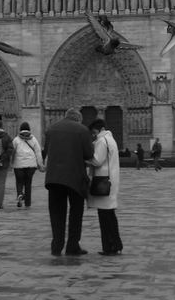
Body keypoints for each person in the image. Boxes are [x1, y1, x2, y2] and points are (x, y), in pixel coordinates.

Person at [42, 107, 93, 256]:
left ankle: (56, 246)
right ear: (78, 118)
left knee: (56, 213)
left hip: (54, 178)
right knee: (75, 213)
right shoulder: (82, 130)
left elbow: (46, 151)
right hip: (75, 177)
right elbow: (89, 154)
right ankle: (72, 246)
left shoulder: (51, 129)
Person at [87, 119, 123, 256]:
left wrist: (84, 158)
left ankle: (110, 247)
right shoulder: (110, 139)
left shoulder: (102, 141)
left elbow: (97, 160)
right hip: (110, 181)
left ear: (101, 129)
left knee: (105, 216)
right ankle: (115, 244)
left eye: (94, 132)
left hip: (103, 183)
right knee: (109, 215)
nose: (94, 135)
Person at [11, 121, 44, 208]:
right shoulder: (33, 139)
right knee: (28, 183)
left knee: (19, 181)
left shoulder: (16, 140)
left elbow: (12, 152)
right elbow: (38, 152)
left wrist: (11, 163)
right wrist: (40, 164)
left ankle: (20, 194)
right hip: (31, 165)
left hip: (18, 165)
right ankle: (27, 203)